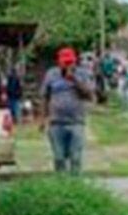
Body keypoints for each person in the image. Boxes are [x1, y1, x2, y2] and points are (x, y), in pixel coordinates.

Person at [39, 47, 95, 175]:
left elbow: (90, 95)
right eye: (66, 63)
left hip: (76, 122)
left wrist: (74, 80)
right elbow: (45, 97)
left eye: (71, 62)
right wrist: (43, 119)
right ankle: (61, 184)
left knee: (75, 157)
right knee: (59, 158)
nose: (68, 65)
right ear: (59, 62)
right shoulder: (51, 74)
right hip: (56, 123)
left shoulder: (82, 74)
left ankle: (75, 184)